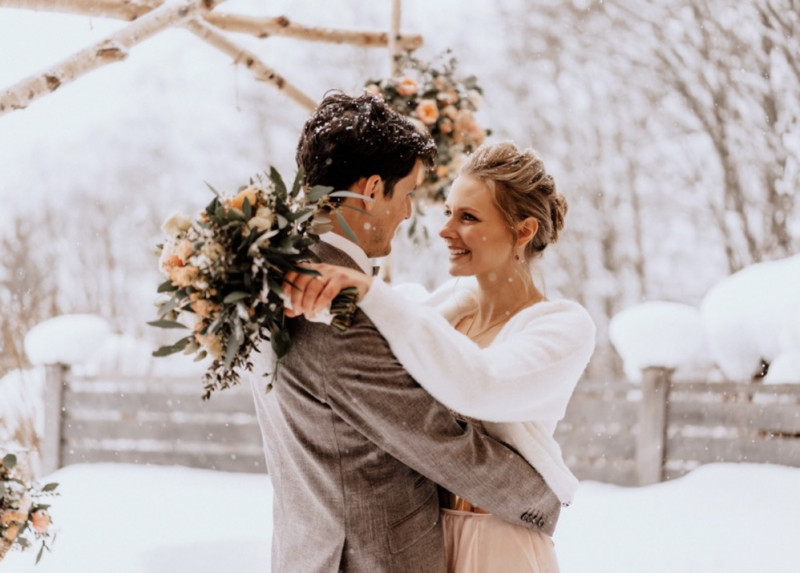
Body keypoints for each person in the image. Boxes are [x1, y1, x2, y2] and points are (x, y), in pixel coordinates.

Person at [250, 93, 563, 573]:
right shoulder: (333, 308)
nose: (411, 213)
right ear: (373, 189)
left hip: (310, 550)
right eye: (410, 193)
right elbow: (435, 438)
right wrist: (540, 499)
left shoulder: (273, 279)